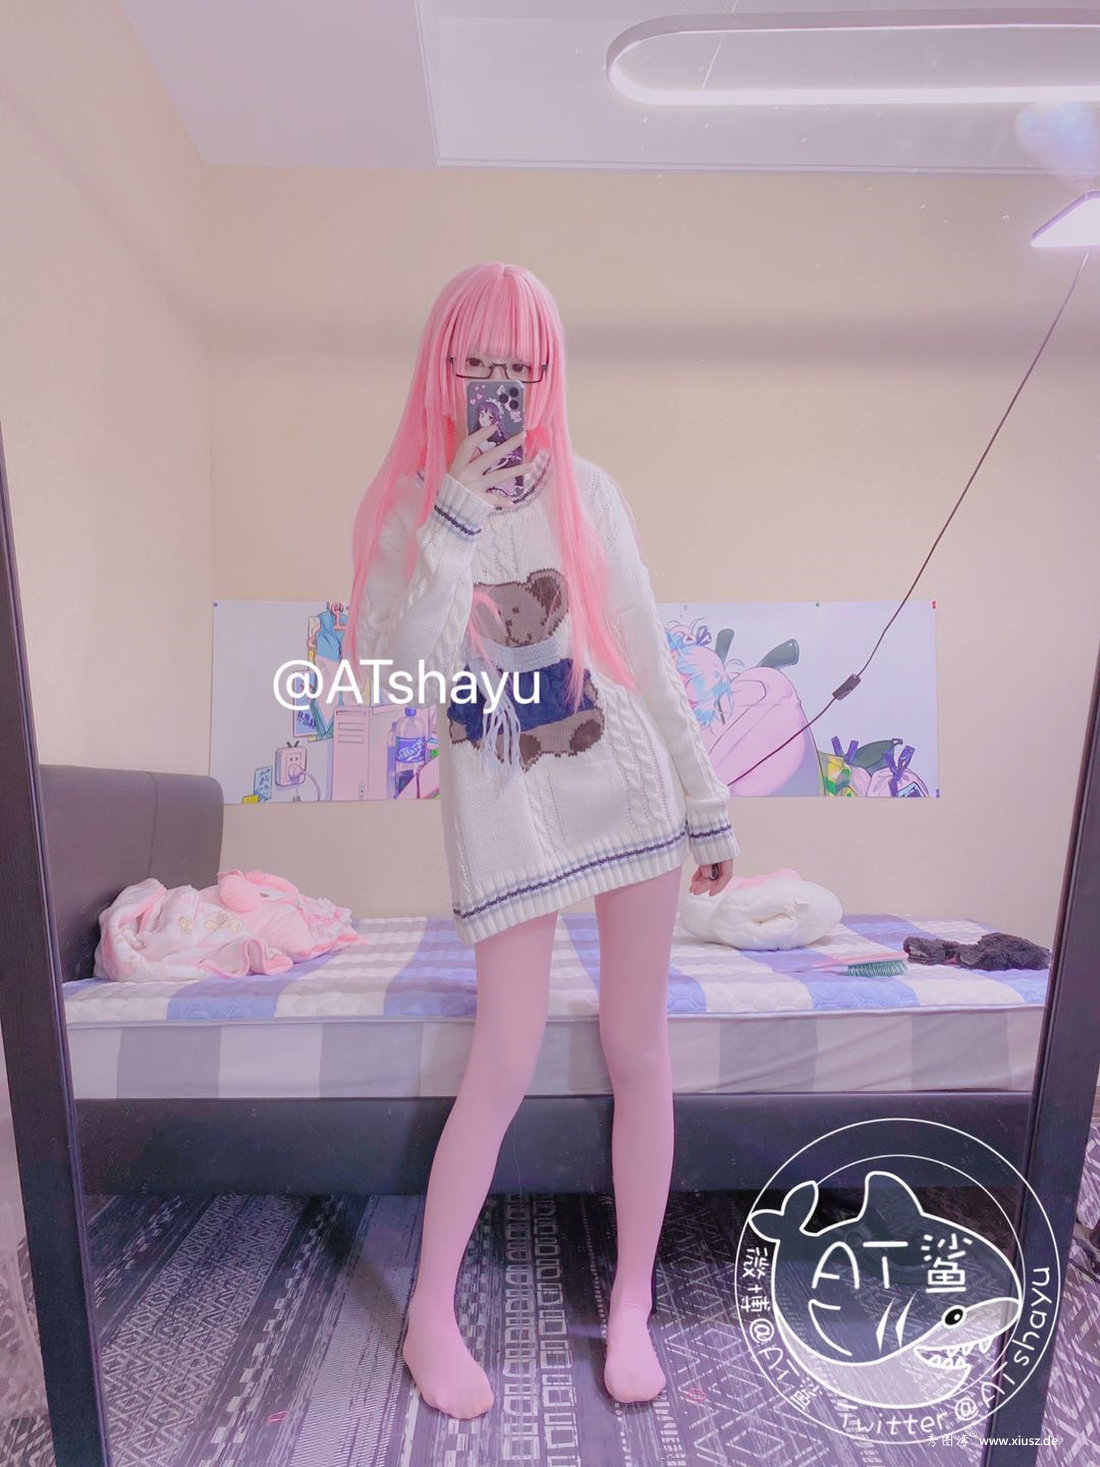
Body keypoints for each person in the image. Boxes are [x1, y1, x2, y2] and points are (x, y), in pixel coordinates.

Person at [345, 262, 739, 1420]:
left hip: (628, 798)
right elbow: (404, 677)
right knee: (505, 1055)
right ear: (442, 368)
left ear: (548, 374)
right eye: (477, 364)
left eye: (520, 367)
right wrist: (453, 523)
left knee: (636, 1050)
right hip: (506, 814)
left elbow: (644, 656)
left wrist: (704, 797)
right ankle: (429, 1314)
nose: (499, 388)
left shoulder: (591, 492)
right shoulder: (417, 510)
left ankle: (631, 1303)